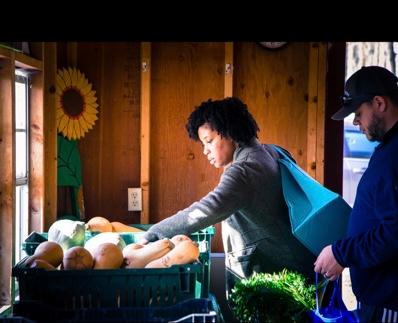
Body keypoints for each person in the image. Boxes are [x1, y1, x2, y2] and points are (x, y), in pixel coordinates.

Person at [140, 97, 315, 300]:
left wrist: (152, 234)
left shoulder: (245, 170)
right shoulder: (272, 151)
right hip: (294, 266)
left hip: (276, 279)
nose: (205, 150)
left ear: (230, 133)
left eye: (209, 141)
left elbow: (204, 211)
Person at [314, 66, 398, 322]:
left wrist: (342, 253)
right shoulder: (389, 148)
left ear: (379, 103)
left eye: (358, 113)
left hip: (390, 304)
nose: (355, 122)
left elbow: (395, 231)